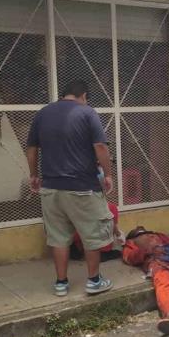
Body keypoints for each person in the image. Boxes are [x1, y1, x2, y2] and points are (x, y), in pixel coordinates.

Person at [26, 79, 115, 297]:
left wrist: (34, 175)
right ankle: (94, 281)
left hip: (51, 188)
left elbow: (31, 148)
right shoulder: (87, 112)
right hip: (82, 187)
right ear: (83, 95)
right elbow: (101, 146)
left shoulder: (42, 113)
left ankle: (61, 283)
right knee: (92, 234)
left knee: (58, 237)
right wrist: (109, 174)